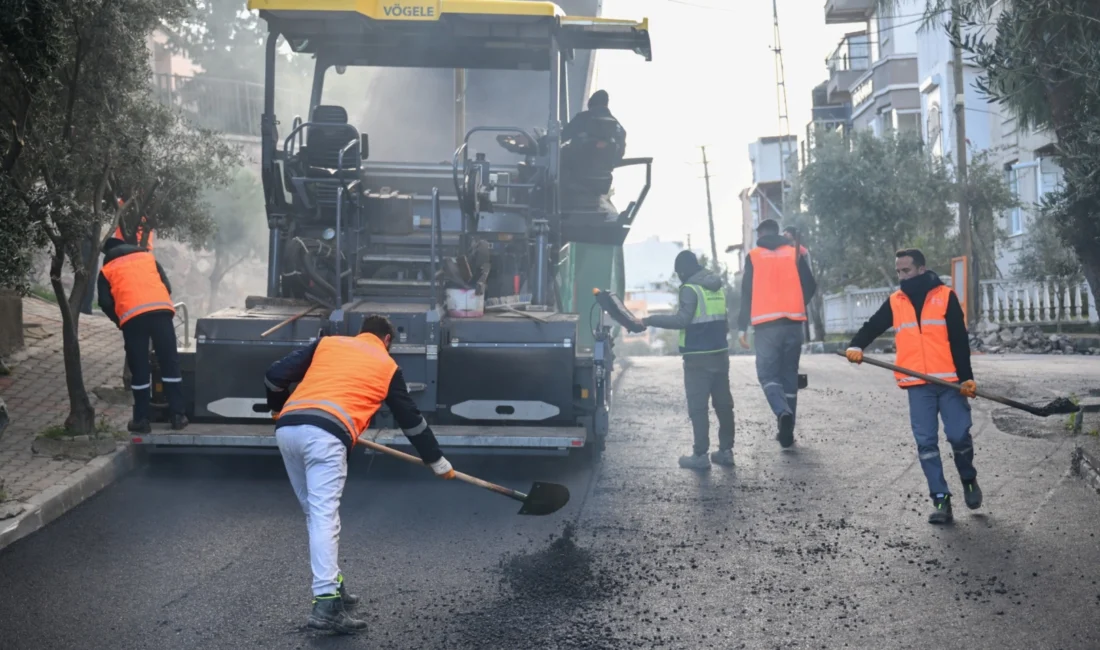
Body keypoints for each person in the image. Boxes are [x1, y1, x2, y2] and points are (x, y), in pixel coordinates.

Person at [264, 314, 457, 634]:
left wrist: (277, 408)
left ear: (360, 333)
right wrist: (436, 460)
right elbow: (410, 419)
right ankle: (325, 606)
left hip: (288, 429)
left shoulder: (328, 344)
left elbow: (274, 375)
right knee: (325, 516)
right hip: (325, 437)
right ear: (387, 341)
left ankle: (333, 586)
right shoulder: (386, 364)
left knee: (315, 513)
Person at [844, 249, 981, 524]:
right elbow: (874, 325)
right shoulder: (897, 301)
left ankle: (968, 478)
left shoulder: (945, 296)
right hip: (918, 385)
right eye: (898, 271)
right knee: (926, 444)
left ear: (921, 269)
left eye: (906, 270)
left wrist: (966, 377)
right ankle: (941, 500)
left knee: (958, 435)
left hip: (950, 382)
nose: (901, 276)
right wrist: (857, 345)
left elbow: (958, 339)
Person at [642, 250, 735, 469]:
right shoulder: (716, 286)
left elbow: (682, 320)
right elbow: (725, 321)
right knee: (724, 405)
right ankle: (726, 451)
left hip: (697, 358)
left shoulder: (689, 289)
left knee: (698, 407)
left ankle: (700, 455)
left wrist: (649, 320)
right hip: (720, 354)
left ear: (683, 271)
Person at [738, 218, 817, 448]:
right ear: (778, 233)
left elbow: (746, 293)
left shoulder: (754, 256)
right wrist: (797, 303)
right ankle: (787, 433)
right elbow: (810, 285)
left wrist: (742, 326)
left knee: (767, 375)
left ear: (760, 235)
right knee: (789, 375)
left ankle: (782, 413)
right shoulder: (793, 253)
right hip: (793, 323)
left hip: (766, 326)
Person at [97, 237, 188, 433]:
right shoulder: (149, 259)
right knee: (169, 362)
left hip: (133, 320)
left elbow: (104, 302)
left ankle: (141, 420)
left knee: (140, 369)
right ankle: (178, 416)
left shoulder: (107, 270)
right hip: (161, 313)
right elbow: (167, 287)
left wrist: (120, 319)